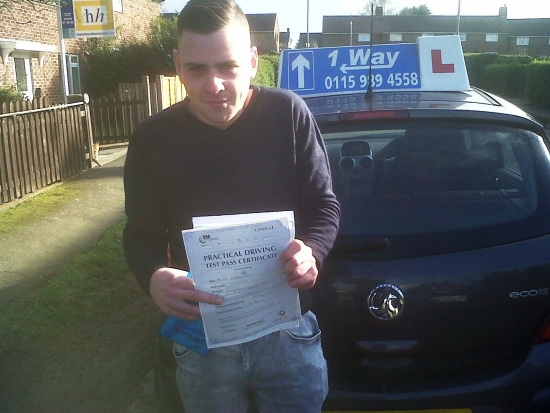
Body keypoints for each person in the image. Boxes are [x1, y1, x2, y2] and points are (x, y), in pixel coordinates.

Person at [122, 0, 340, 411]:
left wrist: (313, 250)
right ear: (177, 65)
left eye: (228, 66)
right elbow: (140, 233)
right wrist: (151, 276)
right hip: (202, 339)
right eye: (197, 69)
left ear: (254, 61)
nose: (214, 85)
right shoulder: (153, 138)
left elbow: (323, 206)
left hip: (287, 334)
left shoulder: (288, 115)